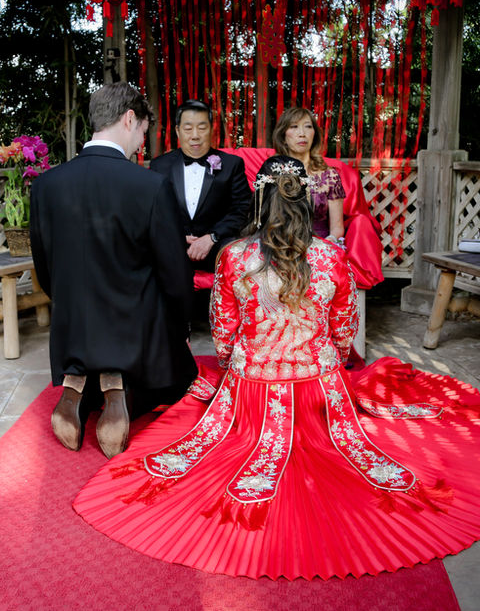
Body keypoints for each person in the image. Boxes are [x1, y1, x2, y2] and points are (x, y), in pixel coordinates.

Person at [73, 156, 480, 580]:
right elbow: (344, 331)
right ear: (305, 199)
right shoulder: (330, 257)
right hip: (321, 393)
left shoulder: (232, 257)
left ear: (260, 199)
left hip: (250, 392)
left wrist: (238, 365)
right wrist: (329, 363)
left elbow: (224, 334)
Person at [30, 81, 197, 459]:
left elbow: (44, 265)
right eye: (142, 131)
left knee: (89, 305)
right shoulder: (150, 185)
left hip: (73, 324)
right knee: (182, 376)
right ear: (128, 118)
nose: (142, 141)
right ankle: (118, 388)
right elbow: (173, 270)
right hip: (130, 329)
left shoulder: (46, 185)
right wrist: (182, 323)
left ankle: (77, 385)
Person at [149, 99, 252, 273]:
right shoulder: (160, 166)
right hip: (173, 247)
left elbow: (242, 208)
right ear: (177, 130)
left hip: (217, 247)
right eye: (188, 129)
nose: (195, 135)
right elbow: (153, 212)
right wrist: (177, 236)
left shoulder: (232, 164)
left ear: (211, 129)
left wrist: (211, 237)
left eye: (202, 128)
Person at [273, 106, 345, 242]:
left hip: (319, 247)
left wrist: (324, 246)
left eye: (308, 127)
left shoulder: (330, 176)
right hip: (280, 246)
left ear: (314, 135)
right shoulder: (273, 172)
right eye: (294, 127)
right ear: (283, 136)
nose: (302, 133)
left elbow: (337, 228)